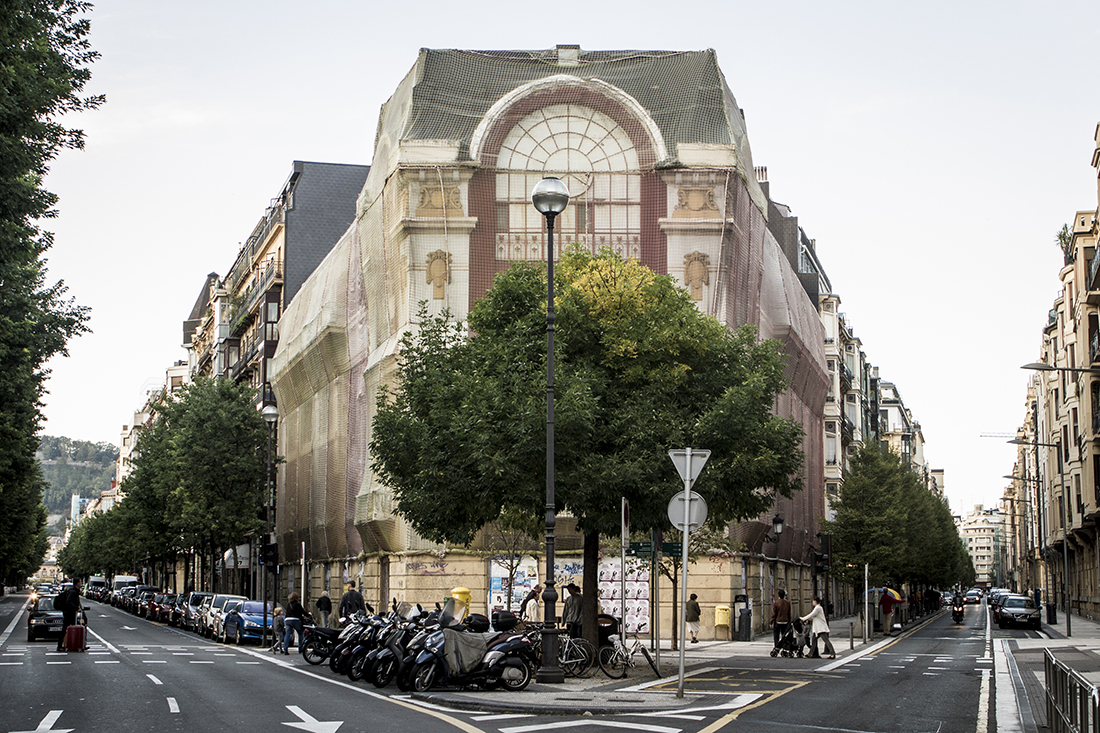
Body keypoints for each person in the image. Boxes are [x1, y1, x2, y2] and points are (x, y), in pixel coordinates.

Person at [55, 578, 84, 652]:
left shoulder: (73, 591)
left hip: (69, 612)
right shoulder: (73, 592)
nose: (81, 584)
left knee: (68, 629)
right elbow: (69, 602)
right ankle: (62, 645)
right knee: (66, 629)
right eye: (80, 582)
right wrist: (76, 608)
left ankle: (72, 645)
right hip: (69, 613)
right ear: (77, 583)